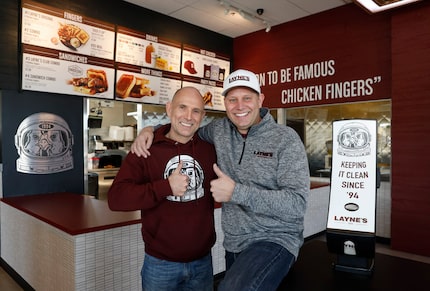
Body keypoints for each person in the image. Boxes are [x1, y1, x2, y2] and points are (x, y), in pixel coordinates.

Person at [132, 69, 310, 291]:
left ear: (260, 100)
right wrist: (149, 130)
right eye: (232, 99)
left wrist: (236, 192)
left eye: (247, 98)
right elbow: (185, 127)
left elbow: (297, 203)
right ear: (224, 102)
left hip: (275, 239)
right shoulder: (219, 130)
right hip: (234, 243)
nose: (240, 106)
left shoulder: (285, 139)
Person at [108, 86, 217, 291]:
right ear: (169, 109)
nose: (188, 116)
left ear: (203, 116)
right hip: (160, 265)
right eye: (182, 107)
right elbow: (116, 198)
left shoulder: (210, 148)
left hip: (203, 262)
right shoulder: (146, 148)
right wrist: (165, 187)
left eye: (196, 111)